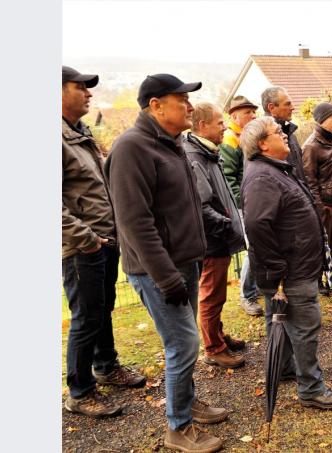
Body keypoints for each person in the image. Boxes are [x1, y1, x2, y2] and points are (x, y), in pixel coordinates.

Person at [105, 74, 228, 453]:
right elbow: (134, 223)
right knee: (184, 343)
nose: (190, 107)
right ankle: (178, 427)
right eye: (181, 101)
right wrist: (165, 276)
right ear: (155, 106)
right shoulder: (132, 148)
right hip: (158, 272)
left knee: (184, 341)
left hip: (186, 262)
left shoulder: (173, 144)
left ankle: (188, 401)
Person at [240, 115, 332, 410]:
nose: (284, 134)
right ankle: (311, 389)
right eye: (277, 132)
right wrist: (277, 270)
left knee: (285, 322)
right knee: (304, 327)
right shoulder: (263, 177)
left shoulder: (276, 170)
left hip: (292, 268)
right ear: (263, 144)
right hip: (290, 272)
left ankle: (287, 367)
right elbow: (257, 226)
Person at [62, 66, 146, 418]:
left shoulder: (80, 133)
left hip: (104, 240)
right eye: (80, 87)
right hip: (82, 247)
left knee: (102, 309)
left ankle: (106, 366)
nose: (89, 93)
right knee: (86, 316)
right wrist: (88, 239)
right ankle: (80, 392)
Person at [184, 103, 247, 369]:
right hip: (212, 240)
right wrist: (227, 224)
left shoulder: (208, 152)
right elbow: (201, 205)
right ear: (202, 126)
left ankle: (218, 334)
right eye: (219, 123)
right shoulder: (195, 156)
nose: (224, 127)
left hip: (218, 235)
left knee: (218, 292)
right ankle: (214, 347)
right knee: (211, 294)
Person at [219, 95, 264, 317]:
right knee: (253, 248)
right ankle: (248, 296)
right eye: (248, 112)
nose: (253, 115)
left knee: (260, 247)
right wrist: (243, 204)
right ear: (234, 115)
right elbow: (229, 177)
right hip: (244, 205)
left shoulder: (247, 136)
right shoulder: (230, 139)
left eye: (254, 111)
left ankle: (256, 289)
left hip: (254, 201)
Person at [302, 102, 332, 295]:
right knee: (320, 243)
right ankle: (317, 281)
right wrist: (319, 206)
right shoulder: (311, 146)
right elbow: (309, 180)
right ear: (321, 120)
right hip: (324, 205)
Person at [261, 86, 307, 183]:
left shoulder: (290, 133)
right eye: (287, 104)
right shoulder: (264, 139)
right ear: (271, 108)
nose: (293, 107)